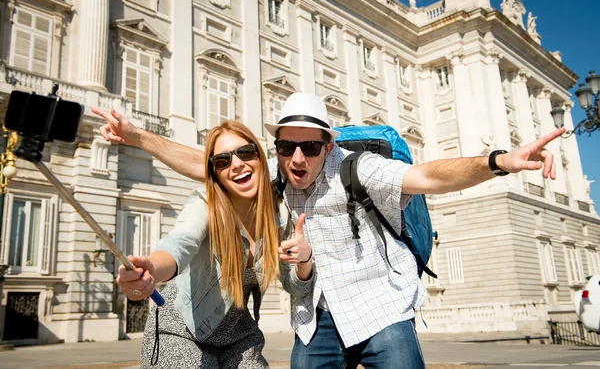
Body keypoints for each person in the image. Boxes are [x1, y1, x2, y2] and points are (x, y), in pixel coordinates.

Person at [94, 94, 564, 368]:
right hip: (303, 319)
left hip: (377, 306)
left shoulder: (359, 170)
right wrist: (138, 139)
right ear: (276, 149)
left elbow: (428, 177)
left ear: (328, 144)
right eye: (287, 147)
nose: (298, 158)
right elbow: (200, 187)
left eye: (311, 147)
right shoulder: (265, 187)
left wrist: (500, 161)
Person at [91, 112, 314, 368]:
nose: (237, 164)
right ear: (215, 173)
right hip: (182, 330)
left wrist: (304, 261)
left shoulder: (279, 215)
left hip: (239, 336)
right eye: (222, 161)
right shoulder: (205, 203)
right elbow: (180, 244)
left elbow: (295, 286)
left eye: (245, 152)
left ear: (260, 157)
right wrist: (151, 269)